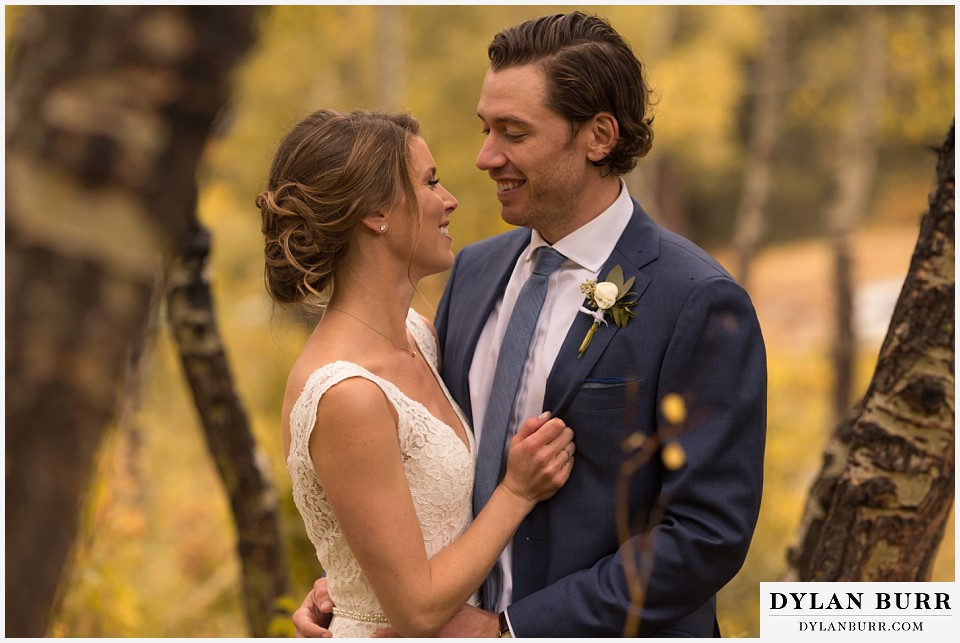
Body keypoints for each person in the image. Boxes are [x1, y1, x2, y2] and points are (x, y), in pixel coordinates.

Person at [295, 11, 766, 638]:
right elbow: (426, 468)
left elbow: (707, 535)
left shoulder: (696, 298)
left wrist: (512, 629)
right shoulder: (472, 273)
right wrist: (363, 582)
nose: (486, 157)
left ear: (599, 136)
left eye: (513, 133)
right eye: (486, 128)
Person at [258, 108, 576, 637]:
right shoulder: (347, 393)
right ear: (376, 213)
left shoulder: (419, 336)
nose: (449, 199)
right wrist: (517, 492)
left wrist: (345, 582)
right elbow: (417, 609)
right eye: (430, 182)